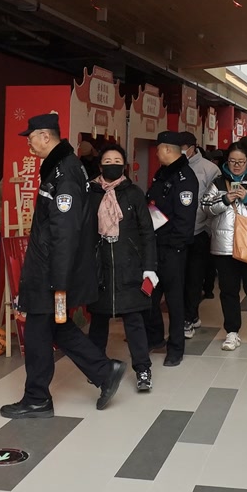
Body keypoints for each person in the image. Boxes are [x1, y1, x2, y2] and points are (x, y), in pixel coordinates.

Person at [3, 113, 126, 418]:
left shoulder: (65, 172)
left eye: (31, 137)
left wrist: (58, 282)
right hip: (49, 268)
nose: (29, 144)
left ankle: (37, 398)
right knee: (57, 327)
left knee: (37, 333)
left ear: (46, 136)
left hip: (49, 272)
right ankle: (104, 371)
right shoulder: (62, 167)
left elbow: (65, 231)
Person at [87, 145, 158, 393]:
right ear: (100, 165)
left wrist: (149, 267)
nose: (112, 165)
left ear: (124, 165)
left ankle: (143, 370)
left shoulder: (134, 193)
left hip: (130, 266)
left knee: (134, 320)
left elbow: (147, 233)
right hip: (100, 268)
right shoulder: (90, 193)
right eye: (107, 161)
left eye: (117, 160)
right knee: (98, 321)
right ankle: (96, 368)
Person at [205, 141, 247, 350]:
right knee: (228, 290)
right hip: (224, 246)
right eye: (232, 161)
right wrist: (225, 199)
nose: (236, 166)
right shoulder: (218, 182)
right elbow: (206, 206)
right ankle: (232, 332)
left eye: (241, 162)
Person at [145, 130, 198, 366]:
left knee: (174, 301)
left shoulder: (185, 177)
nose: (156, 153)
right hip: (154, 246)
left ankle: (176, 347)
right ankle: (155, 337)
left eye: (158, 149)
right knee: (149, 295)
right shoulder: (162, 173)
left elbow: (185, 220)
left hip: (172, 249)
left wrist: (173, 246)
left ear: (167, 149)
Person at [182, 132, 221, 337]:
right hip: (177, 232)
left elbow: (215, 202)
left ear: (192, 147)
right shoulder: (171, 168)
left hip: (199, 231)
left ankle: (189, 316)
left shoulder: (210, 169)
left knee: (194, 277)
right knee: (179, 277)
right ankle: (189, 315)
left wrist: (209, 229)